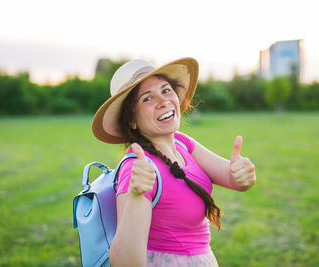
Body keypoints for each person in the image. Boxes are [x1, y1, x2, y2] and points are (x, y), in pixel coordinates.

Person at [91, 57, 256, 266]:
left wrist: (244, 173)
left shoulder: (182, 143)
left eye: (166, 90)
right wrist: (134, 197)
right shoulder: (137, 168)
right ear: (131, 119)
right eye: (147, 98)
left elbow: (233, 179)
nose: (163, 101)